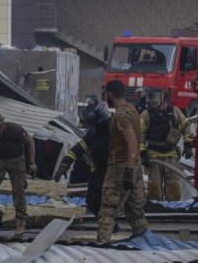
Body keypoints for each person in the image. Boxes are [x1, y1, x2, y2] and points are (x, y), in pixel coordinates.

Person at [96, 80, 148, 243]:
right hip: (134, 165)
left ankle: (101, 244)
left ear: (111, 94)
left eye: (106, 94)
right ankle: (144, 240)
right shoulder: (132, 110)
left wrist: (128, 170)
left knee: (108, 208)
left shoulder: (120, 115)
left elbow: (132, 142)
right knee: (135, 210)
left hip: (121, 166)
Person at [53, 102, 111, 216]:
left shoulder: (114, 135)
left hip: (112, 172)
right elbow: (76, 151)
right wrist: (64, 165)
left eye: (94, 125)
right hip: (98, 172)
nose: (92, 128)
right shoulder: (92, 136)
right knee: (92, 200)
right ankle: (106, 223)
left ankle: (109, 224)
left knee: (109, 202)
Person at [140, 89, 194, 201]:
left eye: (155, 98)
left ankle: (173, 208)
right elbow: (140, 134)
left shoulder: (174, 111)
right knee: (154, 186)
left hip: (170, 154)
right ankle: (156, 207)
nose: (153, 102)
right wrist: (142, 152)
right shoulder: (145, 114)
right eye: (151, 99)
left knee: (173, 185)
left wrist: (188, 144)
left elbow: (185, 126)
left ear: (162, 98)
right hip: (153, 155)